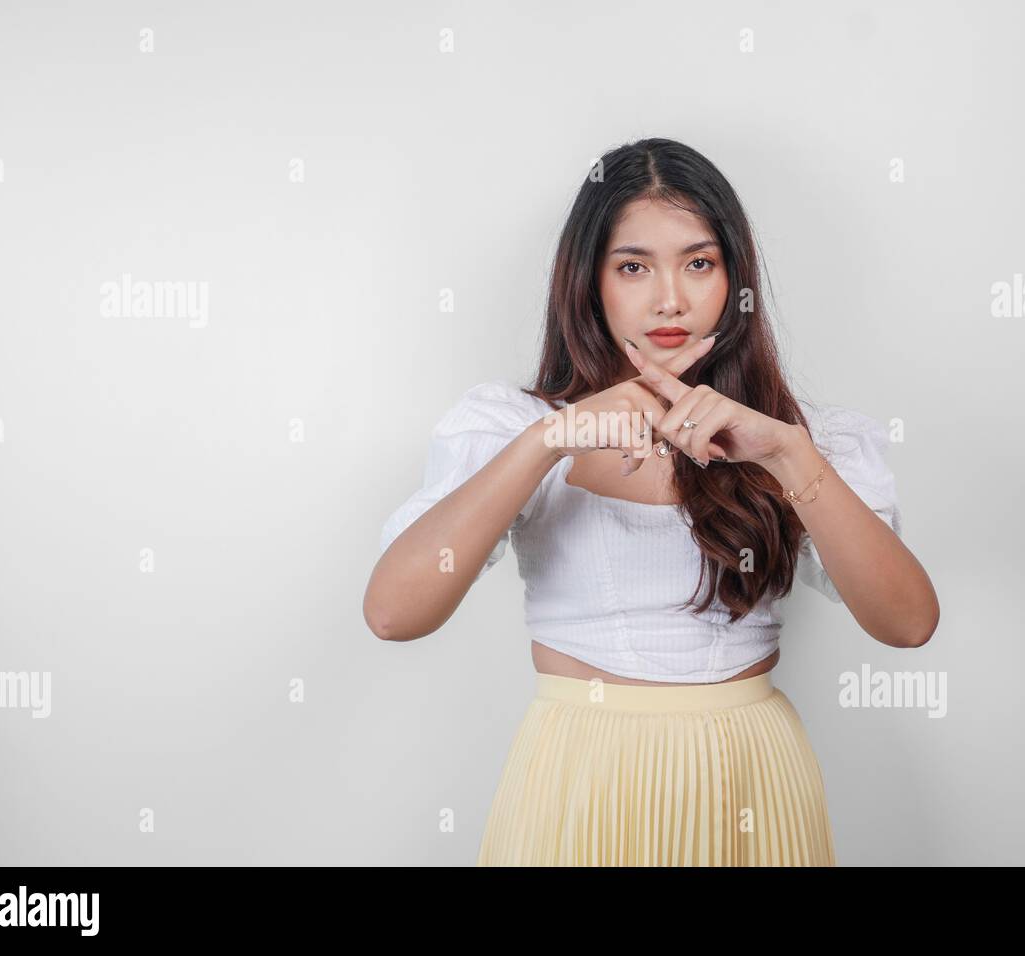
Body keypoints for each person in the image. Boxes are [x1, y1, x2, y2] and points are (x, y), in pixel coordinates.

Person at [363, 137, 939, 866]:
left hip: (753, 782)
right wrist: (550, 439)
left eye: (699, 263)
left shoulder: (798, 438)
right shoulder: (513, 427)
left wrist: (791, 455)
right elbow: (393, 612)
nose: (670, 299)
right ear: (589, 282)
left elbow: (909, 623)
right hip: (579, 778)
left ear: (735, 279)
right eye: (633, 267)